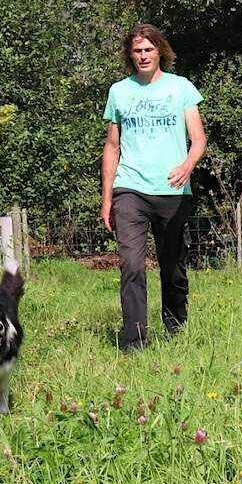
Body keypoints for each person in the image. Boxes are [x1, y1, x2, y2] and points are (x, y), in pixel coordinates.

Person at [101, 23, 206, 351]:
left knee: (172, 264)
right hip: (129, 188)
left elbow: (199, 139)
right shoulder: (119, 92)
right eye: (137, 51)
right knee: (131, 264)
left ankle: (176, 328)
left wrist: (187, 166)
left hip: (172, 190)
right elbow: (112, 147)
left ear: (159, 50)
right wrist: (107, 200)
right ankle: (135, 342)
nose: (143, 56)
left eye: (148, 49)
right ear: (130, 55)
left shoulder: (181, 88)